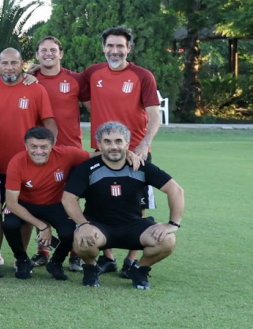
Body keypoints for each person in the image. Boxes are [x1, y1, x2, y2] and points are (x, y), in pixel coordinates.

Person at [63, 121, 185, 290]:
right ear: (99, 145)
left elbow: (176, 190)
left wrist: (173, 224)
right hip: (99, 227)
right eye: (107, 142)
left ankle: (139, 270)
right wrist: (83, 224)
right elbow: (68, 198)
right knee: (81, 240)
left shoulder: (140, 167)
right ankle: (91, 268)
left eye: (118, 141)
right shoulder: (88, 168)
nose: (113, 146)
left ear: (127, 144)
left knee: (168, 240)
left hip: (134, 226)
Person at [80, 27, 162, 274]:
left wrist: (144, 145)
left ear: (129, 48)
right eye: (110, 46)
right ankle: (109, 258)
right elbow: (65, 78)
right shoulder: (93, 73)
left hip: (135, 150)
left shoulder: (142, 76)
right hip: (102, 150)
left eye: (120, 46)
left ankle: (132, 260)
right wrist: (36, 71)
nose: (114, 51)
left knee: (138, 203)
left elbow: (154, 115)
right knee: (101, 200)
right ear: (103, 47)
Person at [3, 128, 89, 280]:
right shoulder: (16, 162)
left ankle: (56, 262)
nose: (38, 151)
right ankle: (22, 260)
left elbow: (95, 157)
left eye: (43, 147)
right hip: (25, 203)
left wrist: (128, 154)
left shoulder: (67, 154)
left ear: (52, 146)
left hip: (55, 204)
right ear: (26, 146)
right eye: (33, 146)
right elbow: (11, 203)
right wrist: (43, 226)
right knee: (9, 225)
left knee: (70, 232)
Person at [0, 47, 57, 187]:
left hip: (26, 163)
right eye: (5, 63)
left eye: (14, 63)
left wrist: (48, 150)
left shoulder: (36, 89)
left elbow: (49, 123)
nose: (9, 67)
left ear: (22, 64)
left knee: (23, 208)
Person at [32, 35, 86, 150]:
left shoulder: (76, 79)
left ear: (61, 54)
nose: (48, 53)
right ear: (37, 55)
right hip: (41, 150)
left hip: (71, 148)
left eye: (53, 50)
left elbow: (96, 110)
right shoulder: (29, 80)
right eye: (43, 50)